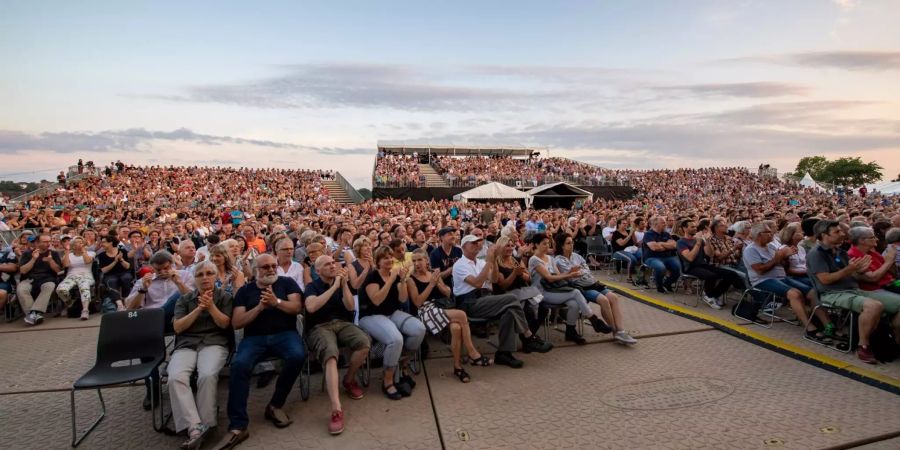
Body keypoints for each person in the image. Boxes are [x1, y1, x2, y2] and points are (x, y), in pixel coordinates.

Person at [219, 253, 306, 449]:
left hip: (285, 334)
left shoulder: (287, 283)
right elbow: (237, 323)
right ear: (256, 270)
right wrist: (259, 307)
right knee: (239, 365)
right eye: (265, 267)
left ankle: (275, 405)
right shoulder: (245, 291)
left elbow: (297, 308)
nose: (271, 270)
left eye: (273, 266)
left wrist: (277, 302)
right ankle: (238, 425)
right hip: (254, 338)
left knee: (297, 356)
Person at [807, 220, 900, 364]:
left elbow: (851, 274)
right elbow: (825, 279)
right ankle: (863, 346)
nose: (842, 233)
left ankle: (894, 339)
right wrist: (848, 270)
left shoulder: (839, 250)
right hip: (832, 294)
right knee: (874, 306)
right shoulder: (816, 254)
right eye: (837, 232)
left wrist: (859, 271)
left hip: (853, 290)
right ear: (824, 235)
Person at [453, 234, 551, 369]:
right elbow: (477, 283)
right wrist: (489, 261)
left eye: (477, 243)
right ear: (463, 247)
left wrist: (492, 260)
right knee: (512, 298)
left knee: (510, 311)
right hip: (469, 303)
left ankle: (504, 353)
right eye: (472, 243)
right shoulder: (459, 264)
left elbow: (493, 280)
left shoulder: (481, 262)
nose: (476, 245)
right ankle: (528, 336)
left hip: (485, 298)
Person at [303, 255, 371, 435]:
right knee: (331, 354)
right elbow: (311, 307)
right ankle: (336, 409)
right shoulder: (312, 286)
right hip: (319, 327)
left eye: (333, 263)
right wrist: (333, 287)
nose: (333, 266)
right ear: (318, 271)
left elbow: (349, 307)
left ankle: (348, 379)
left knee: (364, 343)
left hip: (342, 323)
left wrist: (343, 285)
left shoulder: (342, 283)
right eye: (327, 264)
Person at [169, 261, 233, 450]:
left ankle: (207, 422)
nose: (205, 277)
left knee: (206, 375)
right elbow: (178, 327)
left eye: (209, 273)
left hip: (214, 343)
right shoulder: (184, 299)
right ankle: (195, 427)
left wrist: (211, 306)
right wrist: (198, 309)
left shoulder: (225, 297)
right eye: (200, 274)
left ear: (215, 276)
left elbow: (224, 324)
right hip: (187, 345)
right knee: (175, 377)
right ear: (194, 279)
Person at [407, 249, 492, 383]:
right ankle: (472, 352)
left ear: (426, 261)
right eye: (414, 261)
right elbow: (417, 302)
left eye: (419, 260)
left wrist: (438, 283)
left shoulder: (434, 274)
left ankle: (457, 367)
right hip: (425, 310)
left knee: (456, 328)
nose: (417, 263)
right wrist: (431, 284)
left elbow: (448, 293)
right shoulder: (411, 279)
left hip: (441, 307)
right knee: (461, 314)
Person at [743, 223, 833, 342]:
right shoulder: (751, 250)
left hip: (781, 277)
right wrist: (777, 257)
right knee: (794, 294)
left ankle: (828, 325)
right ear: (760, 235)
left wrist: (786, 257)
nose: (772, 234)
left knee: (812, 292)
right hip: (763, 280)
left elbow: (783, 266)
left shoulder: (771, 247)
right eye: (769, 232)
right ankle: (809, 328)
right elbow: (760, 270)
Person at [357, 246, 426, 400]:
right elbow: (376, 300)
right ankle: (387, 379)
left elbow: (402, 299)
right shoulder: (372, 277)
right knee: (395, 339)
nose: (389, 260)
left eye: (390, 257)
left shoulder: (394, 276)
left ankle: (402, 364)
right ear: (378, 262)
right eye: (384, 258)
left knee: (419, 329)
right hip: (371, 316)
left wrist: (401, 280)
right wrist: (390, 280)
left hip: (391, 313)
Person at [529, 233, 612, 345]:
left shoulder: (550, 258)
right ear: (536, 245)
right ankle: (593, 319)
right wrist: (569, 275)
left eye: (548, 243)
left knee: (574, 303)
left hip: (554, 290)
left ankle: (570, 331)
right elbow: (549, 278)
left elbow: (558, 276)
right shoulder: (534, 260)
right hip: (541, 293)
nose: (547, 246)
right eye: (544, 244)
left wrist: (570, 272)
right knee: (576, 292)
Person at [554, 233, 637, 344]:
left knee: (614, 297)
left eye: (572, 242)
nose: (572, 245)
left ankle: (621, 330)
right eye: (568, 243)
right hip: (581, 287)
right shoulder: (558, 260)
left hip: (592, 283)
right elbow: (570, 276)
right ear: (562, 246)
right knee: (604, 300)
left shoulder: (577, 256)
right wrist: (578, 271)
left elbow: (586, 269)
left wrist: (578, 271)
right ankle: (615, 331)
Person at [676, 220, 742, 310]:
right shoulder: (681, 242)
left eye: (695, 226)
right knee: (712, 276)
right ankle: (709, 296)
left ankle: (711, 295)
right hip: (691, 267)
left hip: (703, 265)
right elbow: (689, 258)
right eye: (692, 227)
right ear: (684, 228)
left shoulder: (699, 240)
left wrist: (707, 241)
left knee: (730, 274)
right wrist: (698, 244)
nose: (695, 228)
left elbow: (710, 254)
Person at [17, 233, 62, 326]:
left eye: (49, 241)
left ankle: (34, 313)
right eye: (45, 241)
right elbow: (23, 271)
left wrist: (50, 261)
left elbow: (58, 270)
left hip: (47, 278)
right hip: (29, 279)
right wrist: (33, 259)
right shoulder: (27, 254)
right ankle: (33, 315)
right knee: (21, 289)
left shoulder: (53, 253)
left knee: (49, 286)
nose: (48, 243)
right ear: (37, 243)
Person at [55, 236, 95, 320]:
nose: (80, 243)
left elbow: (87, 261)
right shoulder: (68, 255)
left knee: (84, 287)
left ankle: (85, 310)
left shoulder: (91, 253)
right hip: (71, 276)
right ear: (73, 245)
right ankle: (71, 304)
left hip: (86, 275)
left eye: (81, 242)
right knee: (60, 289)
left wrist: (84, 251)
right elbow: (66, 265)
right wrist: (66, 251)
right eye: (77, 242)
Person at [642, 216, 681, 293]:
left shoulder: (666, 234)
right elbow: (654, 248)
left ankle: (667, 284)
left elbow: (674, 245)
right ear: (656, 224)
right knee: (660, 267)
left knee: (679, 267)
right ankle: (659, 286)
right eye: (663, 222)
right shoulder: (648, 234)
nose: (665, 224)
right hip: (652, 258)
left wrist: (661, 243)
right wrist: (667, 246)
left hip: (668, 257)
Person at [96, 234, 133, 311]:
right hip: (110, 274)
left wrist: (121, 259)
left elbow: (127, 266)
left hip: (123, 272)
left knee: (126, 278)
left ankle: (126, 300)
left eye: (104, 242)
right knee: (111, 281)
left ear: (111, 242)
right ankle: (119, 304)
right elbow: (104, 270)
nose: (101, 244)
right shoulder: (101, 255)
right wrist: (115, 261)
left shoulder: (122, 251)